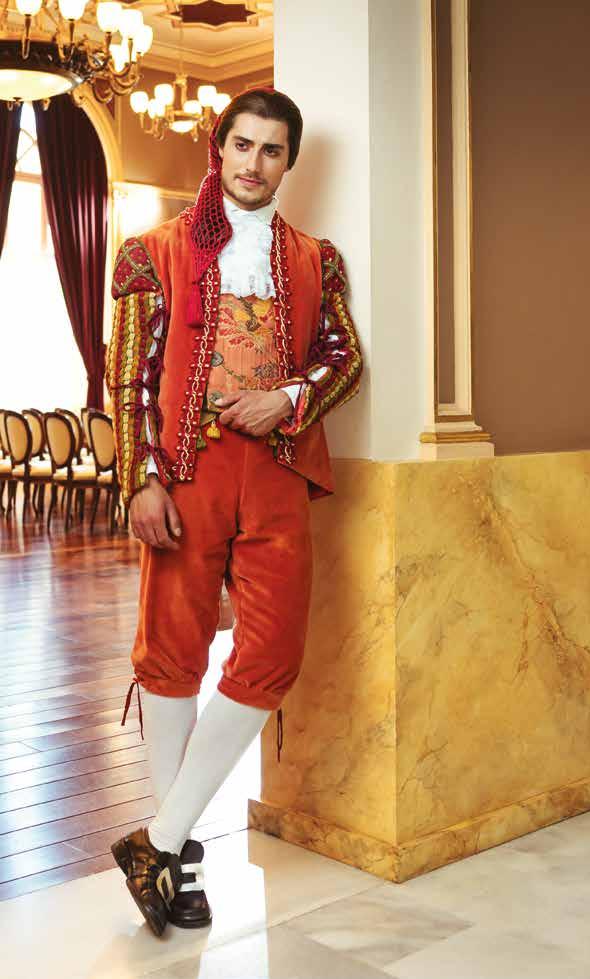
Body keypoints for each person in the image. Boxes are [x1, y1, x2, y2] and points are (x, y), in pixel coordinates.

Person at [105, 86, 363, 937]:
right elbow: (128, 376)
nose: (254, 163)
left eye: (272, 150)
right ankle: (177, 862)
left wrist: (289, 397)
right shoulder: (151, 251)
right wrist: (139, 480)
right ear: (218, 148)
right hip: (184, 471)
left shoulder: (316, 259)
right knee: (172, 652)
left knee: (273, 652)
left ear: (289, 162)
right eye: (243, 145)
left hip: (278, 468)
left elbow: (345, 358)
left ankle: (157, 839)